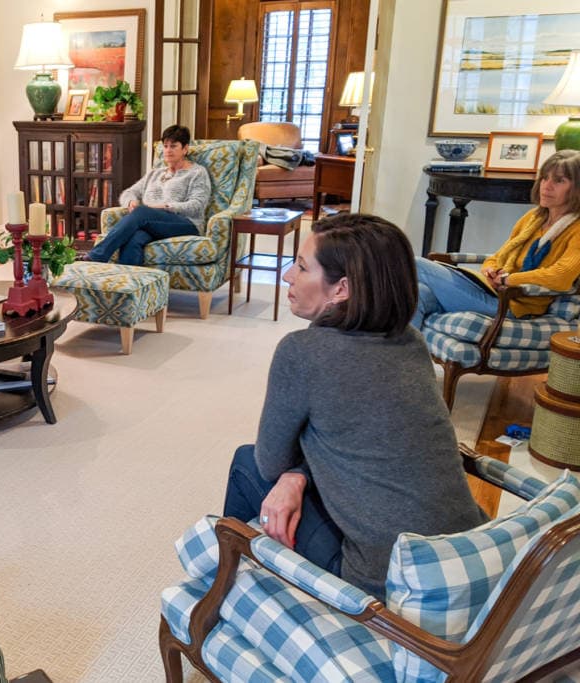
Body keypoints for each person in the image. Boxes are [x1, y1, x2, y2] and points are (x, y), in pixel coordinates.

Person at [223, 213, 487, 599]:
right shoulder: (410, 340)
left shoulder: (301, 353)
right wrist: (299, 474)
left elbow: (269, 463)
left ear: (341, 289)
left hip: (386, 585)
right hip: (463, 561)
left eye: (300, 267)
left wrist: (291, 473)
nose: (286, 277)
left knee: (245, 463)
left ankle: (228, 589)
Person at [413, 149, 580, 329]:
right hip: (492, 290)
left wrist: (507, 280)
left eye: (559, 180)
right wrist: (490, 270)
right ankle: (403, 357)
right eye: (544, 178)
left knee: (415, 263)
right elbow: (498, 256)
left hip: (515, 305)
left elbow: (560, 277)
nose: (546, 186)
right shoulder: (533, 218)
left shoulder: (576, 230)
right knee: (418, 294)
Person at [85, 124, 212, 266]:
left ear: (185, 149)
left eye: (173, 146)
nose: (168, 151)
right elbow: (129, 192)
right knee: (134, 239)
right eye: (165, 146)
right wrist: (130, 202)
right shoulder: (155, 173)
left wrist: (165, 206)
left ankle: (97, 255)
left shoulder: (197, 172)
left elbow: (197, 205)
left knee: (141, 212)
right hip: (152, 223)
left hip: (186, 223)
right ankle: (131, 284)